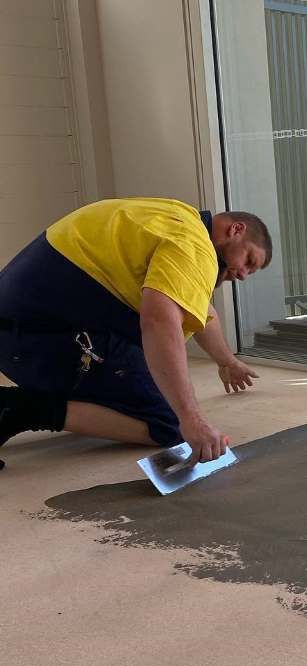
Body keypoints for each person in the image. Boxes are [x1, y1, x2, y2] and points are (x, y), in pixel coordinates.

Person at [0, 197, 271, 469]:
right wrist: (192, 420)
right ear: (236, 230)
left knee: (151, 373)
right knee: (167, 423)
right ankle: (20, 409)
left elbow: (202, 313)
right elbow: (158, 323)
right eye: (249, 260)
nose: (244, 275)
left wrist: (228, 362)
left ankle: (62, 391)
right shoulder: (194, 247)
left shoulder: (177, 218)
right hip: (32, 340)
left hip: (25, 326)